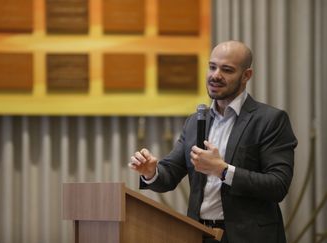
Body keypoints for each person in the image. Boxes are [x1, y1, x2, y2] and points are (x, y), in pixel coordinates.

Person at [128, 40, 298, 243]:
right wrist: (151, 172)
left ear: (246, 76)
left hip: (249, 237)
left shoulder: (270, 120)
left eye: (227, 69)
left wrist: (223, 170)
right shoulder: (195, 121)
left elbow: (277, 185)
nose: (216, 75)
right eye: (212, 67)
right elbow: (170, 174)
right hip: (200, 234)